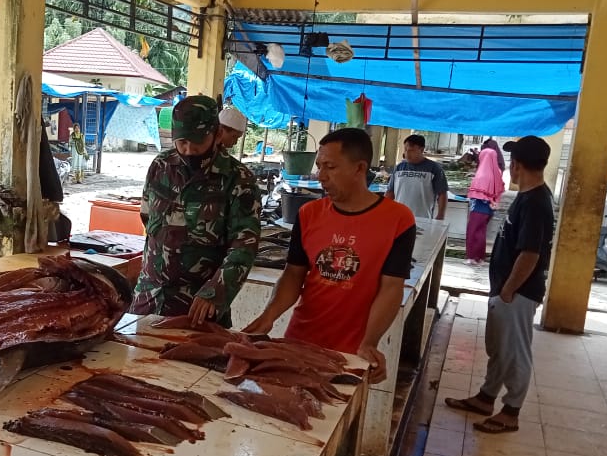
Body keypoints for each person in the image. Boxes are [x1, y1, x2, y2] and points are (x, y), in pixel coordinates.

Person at [243, 128, 416, 382]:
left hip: (352, 353)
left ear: (359, 168)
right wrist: (268, 317)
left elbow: (391, 288)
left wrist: (370, 342)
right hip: (299, 341)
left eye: (330, 167)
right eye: (319, 166)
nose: (320, 176)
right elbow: (293, 275)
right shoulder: (308, 213)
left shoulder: (398, 220)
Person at [444, 135, 555, 433]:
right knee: (499, 349)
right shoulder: (529, 196)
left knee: (515, 352)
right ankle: (486, 396)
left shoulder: (536, 202)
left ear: (517, 165)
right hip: (505, 290)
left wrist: (508, 290)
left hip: (517, 293)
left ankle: (511, 410)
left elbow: (530, 254)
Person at [130, 95, 260, 327]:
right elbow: (148, 218)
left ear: (217, 134)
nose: (189, 151)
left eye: (198, 143)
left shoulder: (238, 180)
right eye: (182, 143)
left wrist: (216, 291)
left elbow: (244, 246)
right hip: (149, 298)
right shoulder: (161, 167)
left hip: (198, 306)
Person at [385, 134, 448, 220]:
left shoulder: (434, 169)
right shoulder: (399, 168)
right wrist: (383, 210)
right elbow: (390, 192)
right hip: (399, 217)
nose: (407, 153)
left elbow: (442, 193)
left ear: (421, 150)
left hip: (424, 218)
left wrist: (441, 215)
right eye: (405, 150)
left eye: (411, 150)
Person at [465, 138, 506, 265]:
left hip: (479, 204)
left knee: (473, 230)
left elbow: (478, 189)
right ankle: (479, 257)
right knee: (481, 231)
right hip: (488, 206)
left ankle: (473, 256)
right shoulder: (496, 171)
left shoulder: (482, 173)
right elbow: (499, 187)